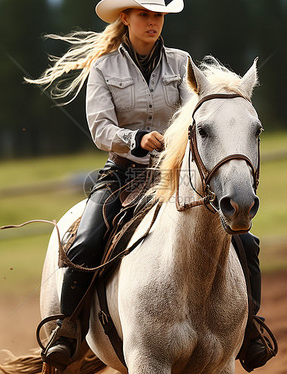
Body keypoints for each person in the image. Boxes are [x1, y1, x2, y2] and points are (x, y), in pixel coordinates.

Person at [29, 0, 272, 371]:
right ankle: (68, 329)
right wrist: (136, 139)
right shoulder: (103, 68)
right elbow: (99, 129)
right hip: (123, 172)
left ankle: (249, 328)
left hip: (173, 174)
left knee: (246, 244)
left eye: (158, 15)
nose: (153, 23)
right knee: (86, 239)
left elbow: (199, 116)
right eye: (145, 15)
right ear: (125, 18)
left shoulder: (182, 64)